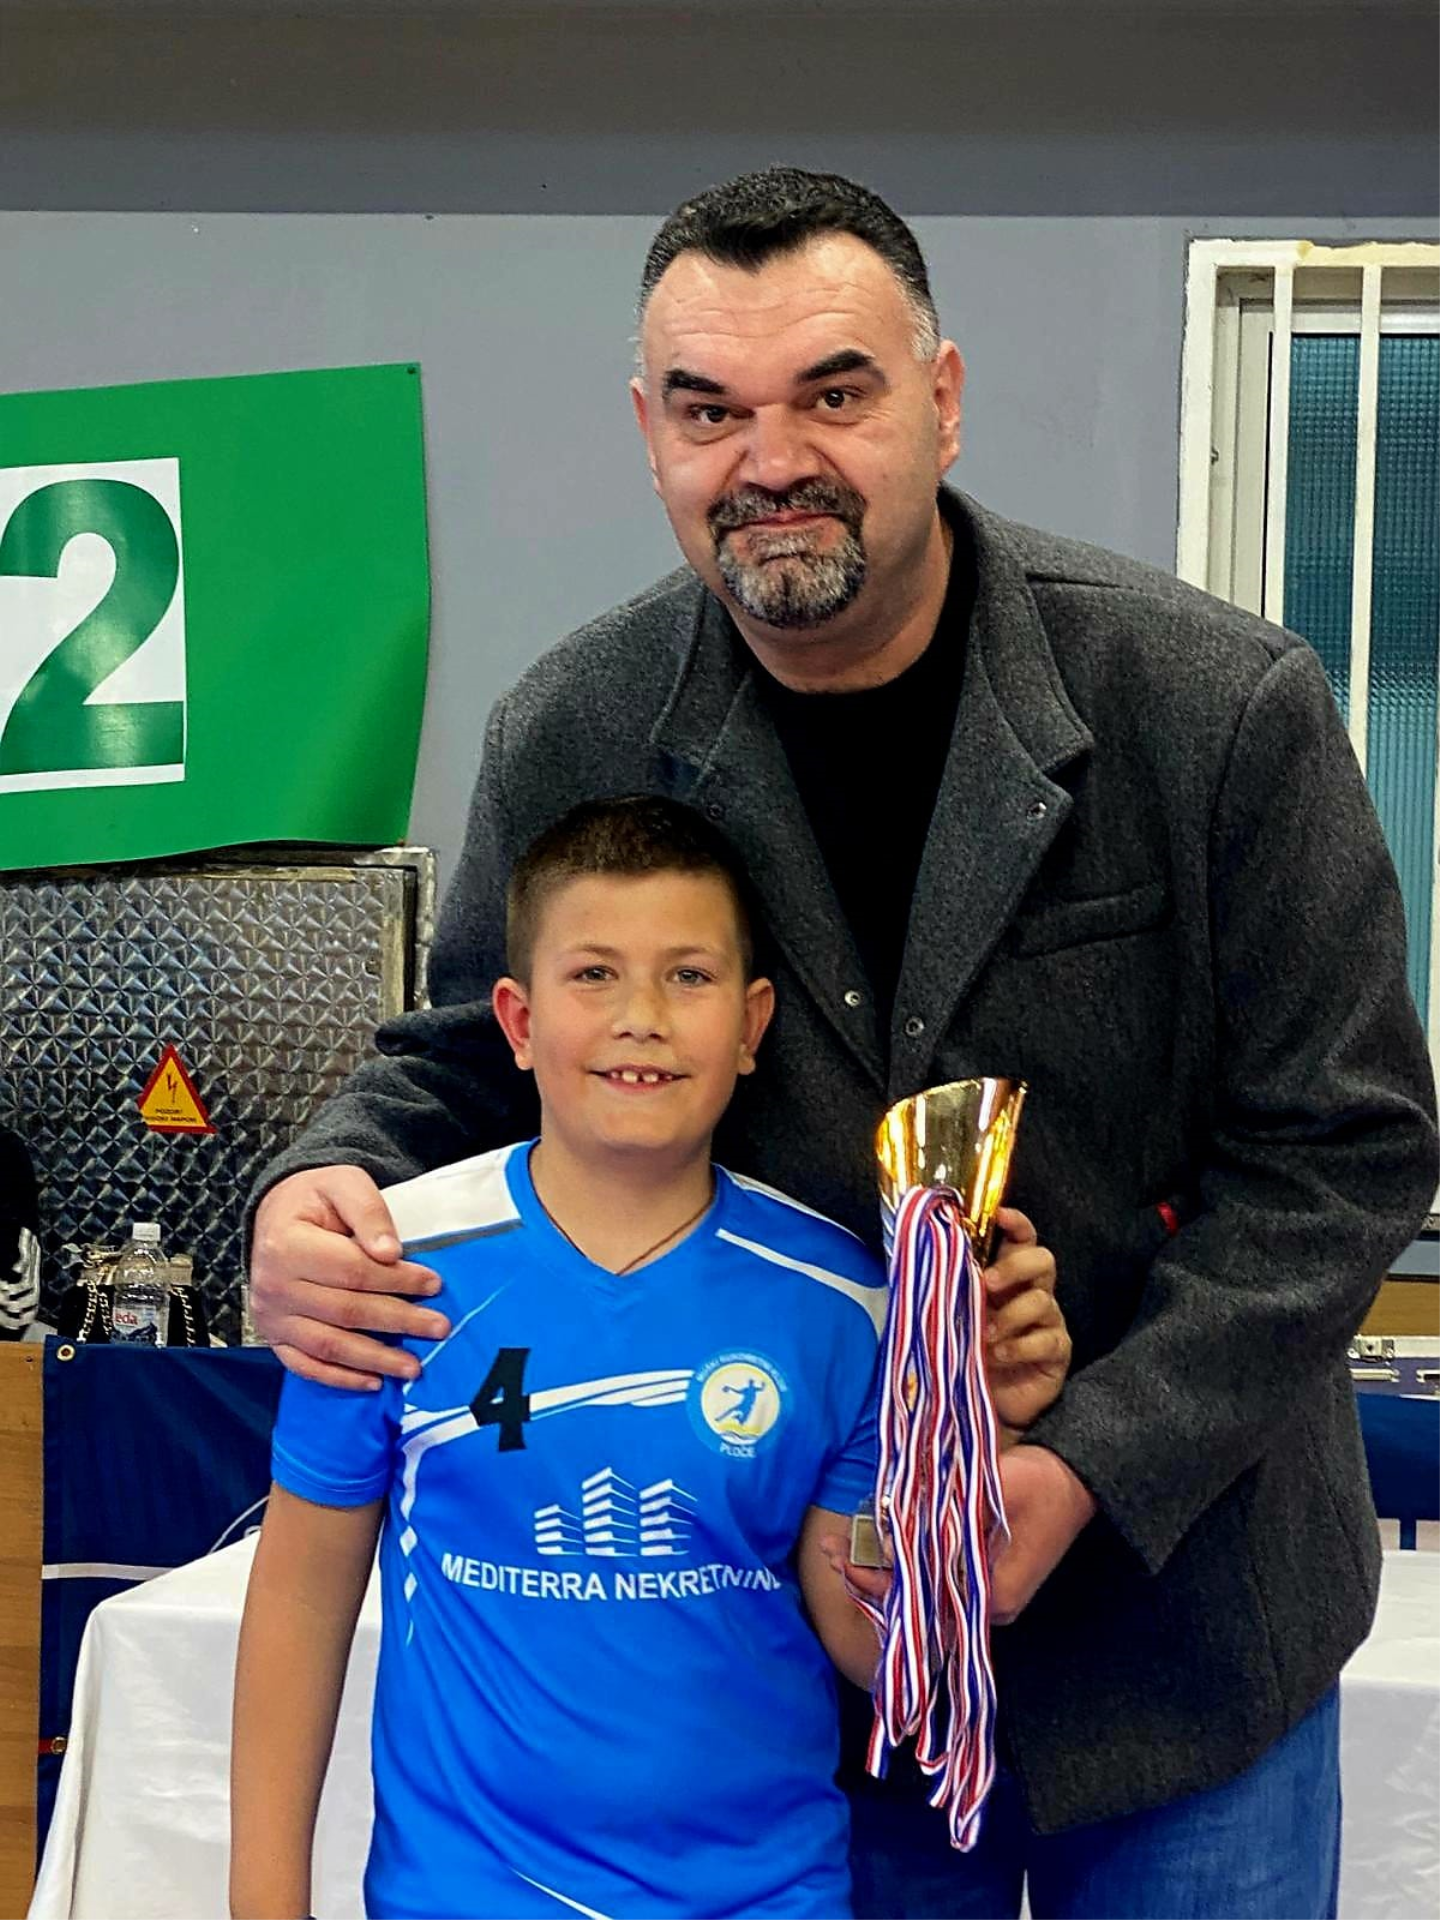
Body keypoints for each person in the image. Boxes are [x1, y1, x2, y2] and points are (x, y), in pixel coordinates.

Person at [247, 167, 1440, 1917]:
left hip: (1188, 1636)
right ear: (649, 434)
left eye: (834, 393)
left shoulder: (1213, 706)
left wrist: (1087, 1464)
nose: (771, 459)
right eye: (710, 411)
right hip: (815, 1683)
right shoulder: (575, 726)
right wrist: (319, 1188)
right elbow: (461, 1057)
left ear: (943, 401)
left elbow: (1347, 1151)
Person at [229, 796, 1068, 1920]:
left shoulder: (844, 1302)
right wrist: (263, 1901)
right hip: (470, 1897)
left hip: (768, 1898)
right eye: (594, 975)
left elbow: (872, 1646)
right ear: (518, 1021)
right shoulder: (387, 1273)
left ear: (753, 1024)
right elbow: (298, 1599)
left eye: (689, 976)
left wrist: (967, 1425)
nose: (643, 1018)